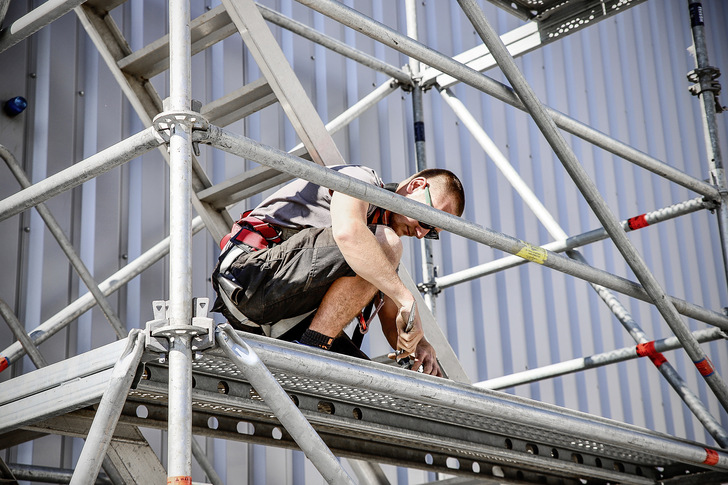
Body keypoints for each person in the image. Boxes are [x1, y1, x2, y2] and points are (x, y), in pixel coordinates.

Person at [211, 164, 465, 376]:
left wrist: (419, 345)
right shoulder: (362, 179)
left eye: (432, 233)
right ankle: (311, 355)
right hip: (250, 277)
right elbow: (348, 233)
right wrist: (406, 299)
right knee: (384, 244)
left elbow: (391, 317)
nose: (421, 234)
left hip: (287, 316)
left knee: (368, 385)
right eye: (427, 221)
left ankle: (309, 354)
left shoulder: (379, 245)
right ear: (417, 186)